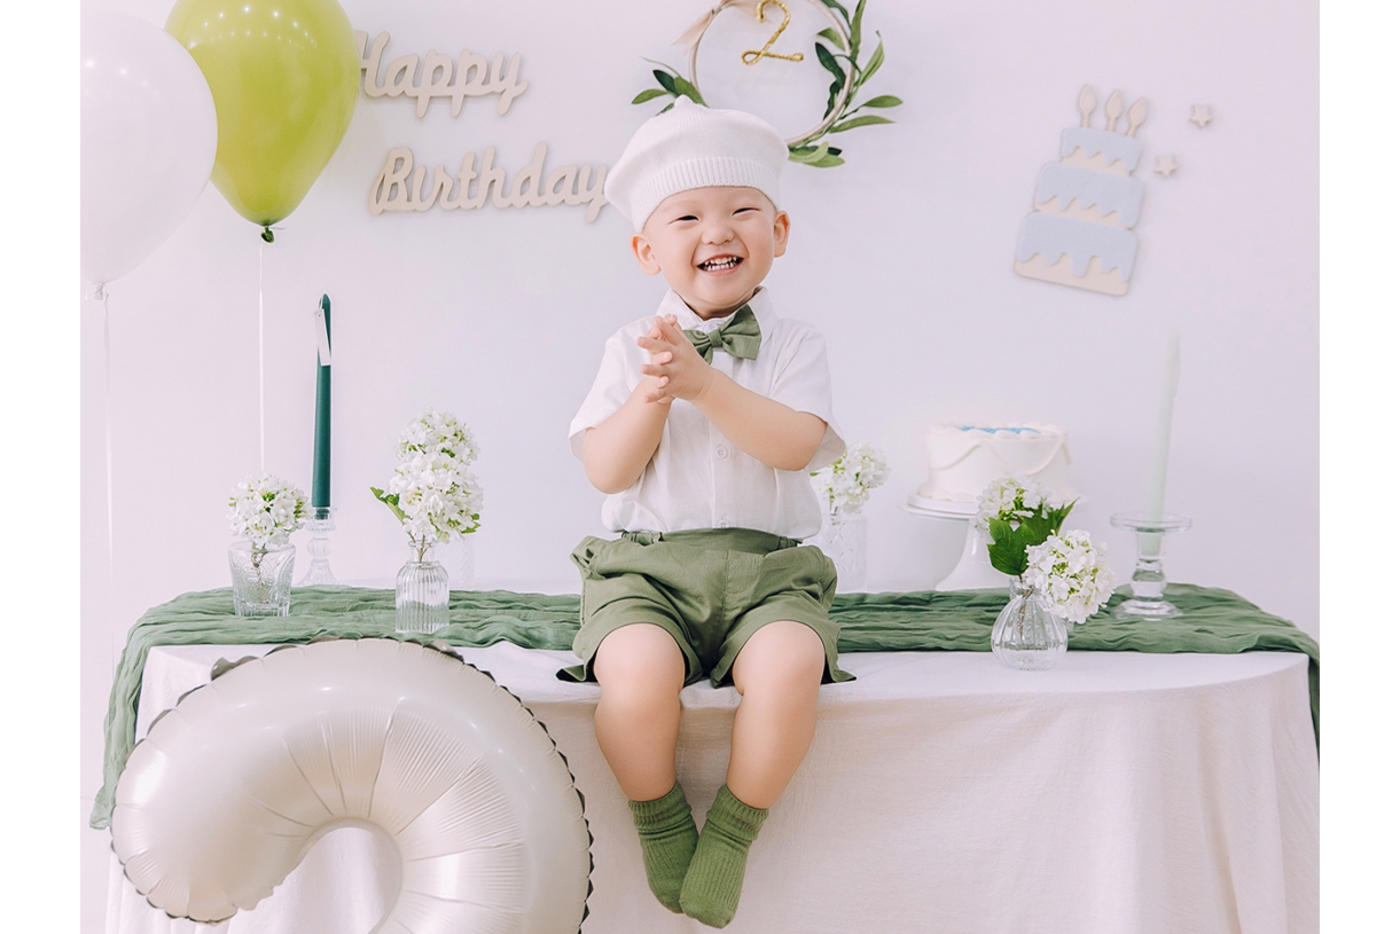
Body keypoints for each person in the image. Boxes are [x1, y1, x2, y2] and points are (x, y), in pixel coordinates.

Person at [562, 98, 852, 928]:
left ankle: (732, 828)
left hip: (769, 572)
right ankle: (659, 819)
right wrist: (656, 394)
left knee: (790, 666)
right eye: (687, 216)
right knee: (635, 675)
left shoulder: (795, 345)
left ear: (779, 232)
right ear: (647, 250)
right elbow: (606, 468)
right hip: (647, 571)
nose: (716, 231)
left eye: (741, 211)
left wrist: (707, 385)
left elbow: (795, 445)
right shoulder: (630, 348)